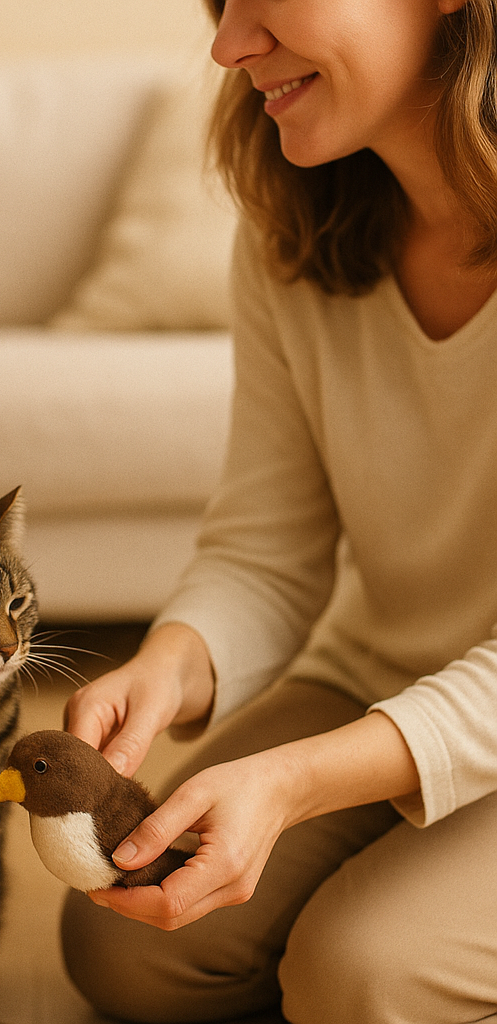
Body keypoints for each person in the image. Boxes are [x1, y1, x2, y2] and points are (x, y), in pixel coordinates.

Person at [60, 0, 497, 1021]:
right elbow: (268, 545)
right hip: (384, 671)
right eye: (219, 3)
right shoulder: (292, 235)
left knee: (364, 974)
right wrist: (168, 664)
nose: (225, 44)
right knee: (125, 936)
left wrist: (297, 782)